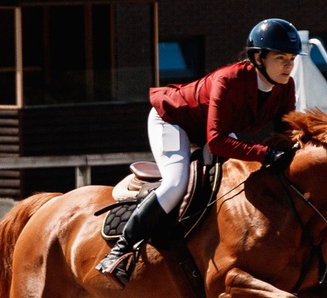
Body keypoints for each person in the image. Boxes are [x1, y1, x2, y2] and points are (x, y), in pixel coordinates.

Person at [96, 17, 304, 280]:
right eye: (280, 58)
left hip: (210, 129)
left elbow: (286, 134)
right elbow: (216, 141)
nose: (288, 65)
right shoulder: (229, 79)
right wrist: (265, 154)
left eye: (292, 59)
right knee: (175, 183)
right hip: (173, 120)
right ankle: (120, 252)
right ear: (258, 58)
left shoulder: (285, 87)